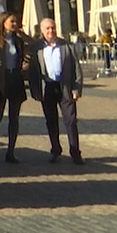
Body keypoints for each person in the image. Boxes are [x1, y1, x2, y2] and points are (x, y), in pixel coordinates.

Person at [29, 18, 85, 164]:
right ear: (41, 30)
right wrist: (35, 90)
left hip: (65, 87)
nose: (50, 31)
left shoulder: (67, 46)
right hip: (47, 88)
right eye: (47, 28)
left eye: (53, 28)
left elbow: (76, 68)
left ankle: (75, 152)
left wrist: (77, 88)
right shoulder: (36, 47)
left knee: (71, 120)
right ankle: (55, 149)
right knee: (51, 121)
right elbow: (33, 71)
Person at [0, 12, 30, 163]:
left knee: (14, 118)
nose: (15, 24)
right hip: (0, 81)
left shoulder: (18, 41)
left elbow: (24, 56)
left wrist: (24, 65)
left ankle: (11, 152)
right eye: (12, 21)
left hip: (15, 79)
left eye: (16, 21)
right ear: (3, 23)